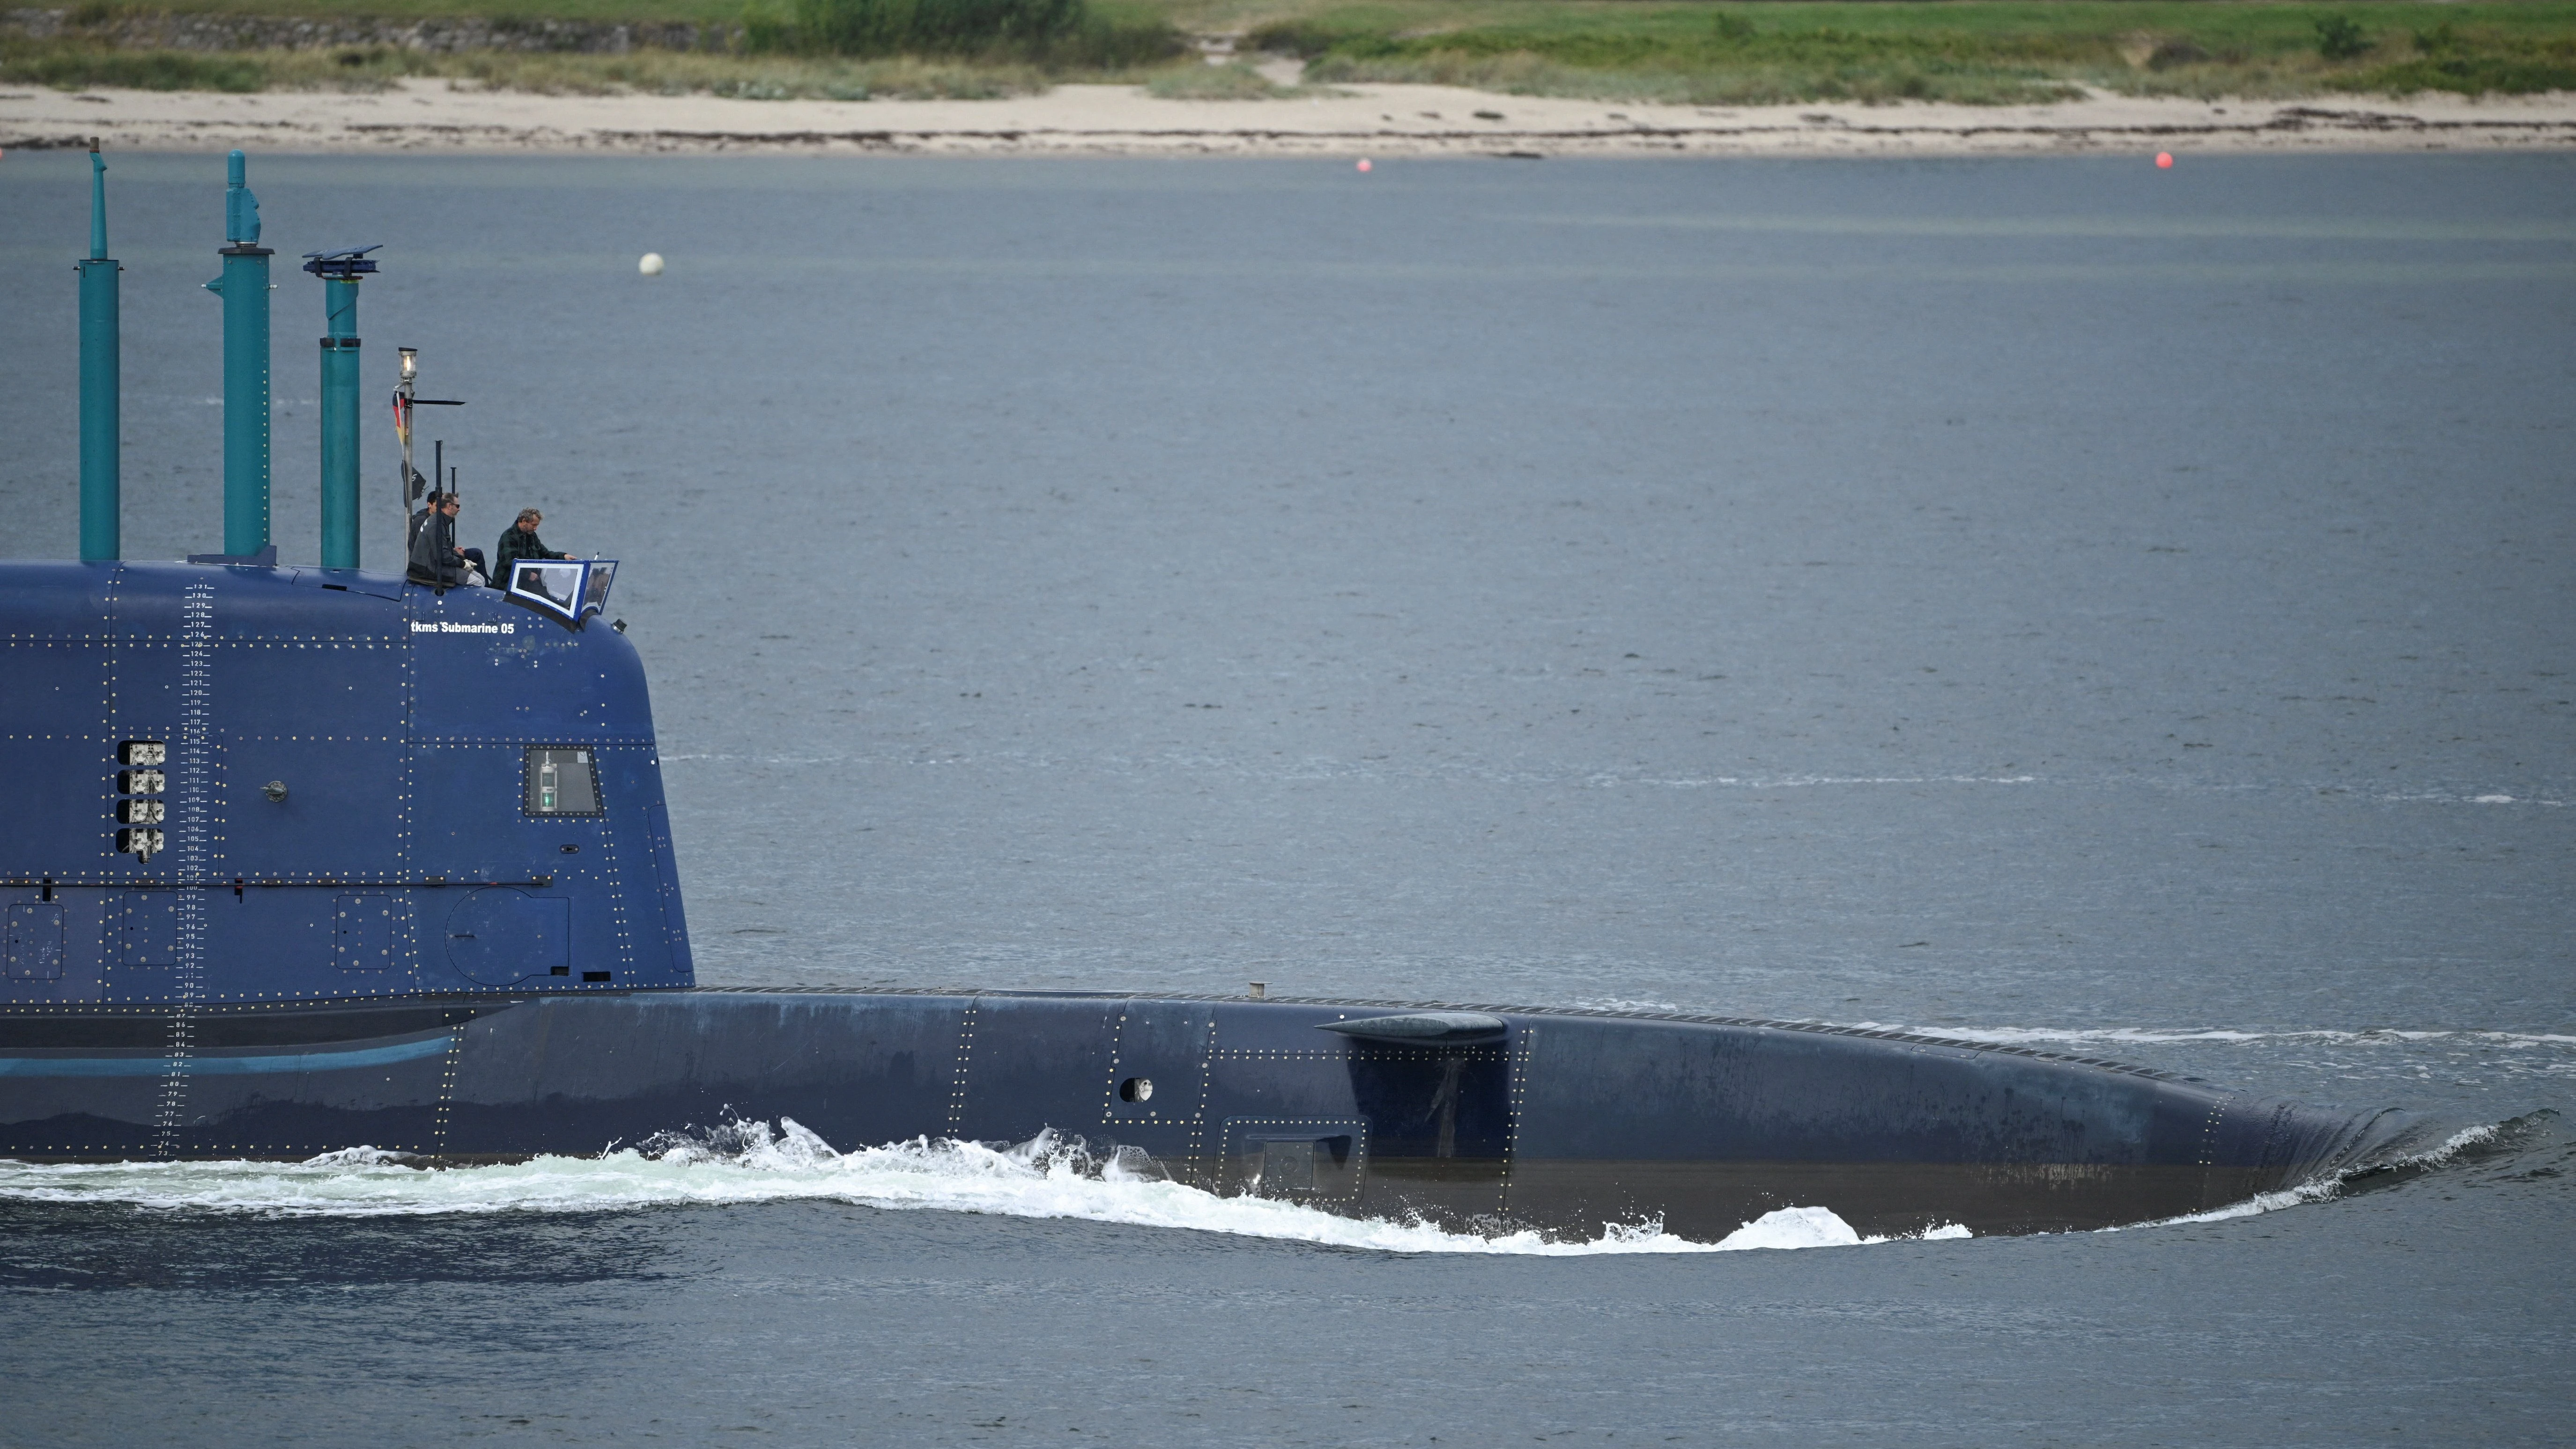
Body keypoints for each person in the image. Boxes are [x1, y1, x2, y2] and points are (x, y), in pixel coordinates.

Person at [407, 493, 485, 592]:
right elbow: (442, 556)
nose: (459, 509)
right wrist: (462, 564)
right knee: (477, 582)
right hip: (429, 569)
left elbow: (446, 549)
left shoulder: (440, 520)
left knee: (482, 579)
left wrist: (463, 559)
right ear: (449, 506)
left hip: (435, 564)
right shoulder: (436, 525)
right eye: (457, 506)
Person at [491, 508, 571, 589]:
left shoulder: (532, 536)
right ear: (524, 521)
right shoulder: (509, 536)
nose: (535, 529)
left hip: (527, 582)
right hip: (507, 584)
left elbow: (545, 553)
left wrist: (564, 556)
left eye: (537, 525)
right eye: (534, 525)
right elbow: (509, 562)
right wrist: (528, 575)